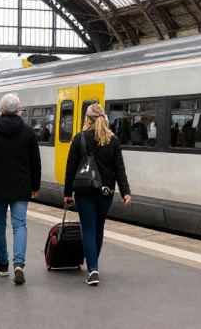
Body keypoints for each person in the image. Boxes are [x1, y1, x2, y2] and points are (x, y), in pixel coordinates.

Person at [0, 94, 41, 285]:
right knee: (20, 226)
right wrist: (35, 186)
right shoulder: (28, 132)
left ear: (1, 109)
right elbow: (35, 163)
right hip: (21, 186)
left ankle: (3, 265)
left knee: (0, 226)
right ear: (18, 110)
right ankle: (19, 264)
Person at [64, 103, 131, 286]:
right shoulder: (113, 141)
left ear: (87, 119)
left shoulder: (79, 139)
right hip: (106, 192)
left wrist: (67, 193)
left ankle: (93, 269)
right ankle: (94, 265)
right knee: (98, 228)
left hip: (84, 191)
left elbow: (71, 168)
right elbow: (119, 170)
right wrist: (125, 192)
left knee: (88, 229)